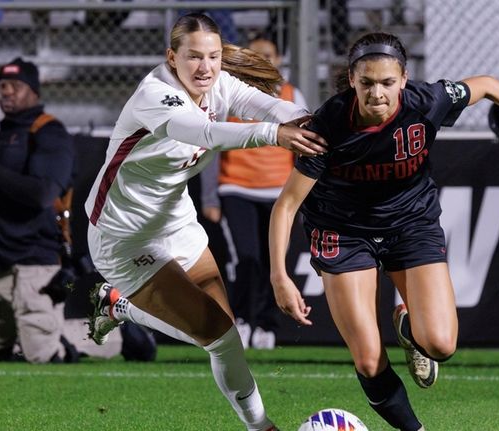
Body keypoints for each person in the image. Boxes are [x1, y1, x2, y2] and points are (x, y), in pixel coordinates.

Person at [268, 32, 499, 431]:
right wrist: (280, 276)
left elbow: (490, 85)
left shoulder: (428, 101)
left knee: (441, 345)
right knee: (369, 357)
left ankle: (409, 327)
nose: (378, 93)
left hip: (411, 224)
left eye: (388, 82)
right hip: (344, 231)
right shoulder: (329, 126)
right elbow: (287, 204)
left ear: (404, 79)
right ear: (352, 81)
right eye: (368, 83)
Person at [83, 13, 325, 431]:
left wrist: (307, 119)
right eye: (194, 57)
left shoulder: (217, 85)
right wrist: (275, 134)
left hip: (177, 222)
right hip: (123, 237)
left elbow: (267, 102)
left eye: (213, 56)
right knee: (220, 335)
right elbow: (205, 133)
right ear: (171, 57)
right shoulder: (156, 93)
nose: (206, 67)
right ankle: (261, 427)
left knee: (223, 333)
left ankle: (118, 305)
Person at [0, 57, 76, 363]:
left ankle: (111, 337)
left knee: (43, 355)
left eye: (16, 86)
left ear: (34, 92)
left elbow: (42, 194)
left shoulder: (49, 133)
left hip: (33, 262)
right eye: (1, 85)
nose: (6, 91)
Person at [200, 37, 308, 350]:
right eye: (257, 55)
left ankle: (266, 324)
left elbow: (303, 147)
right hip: (237, 188)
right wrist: (210, 197)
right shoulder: (229, 93)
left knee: (273, 262)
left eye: (269, 55)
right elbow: (212, 142)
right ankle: (243, 320)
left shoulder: (290, 93)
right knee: (246, 259)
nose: (264, 60)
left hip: (279, 193)